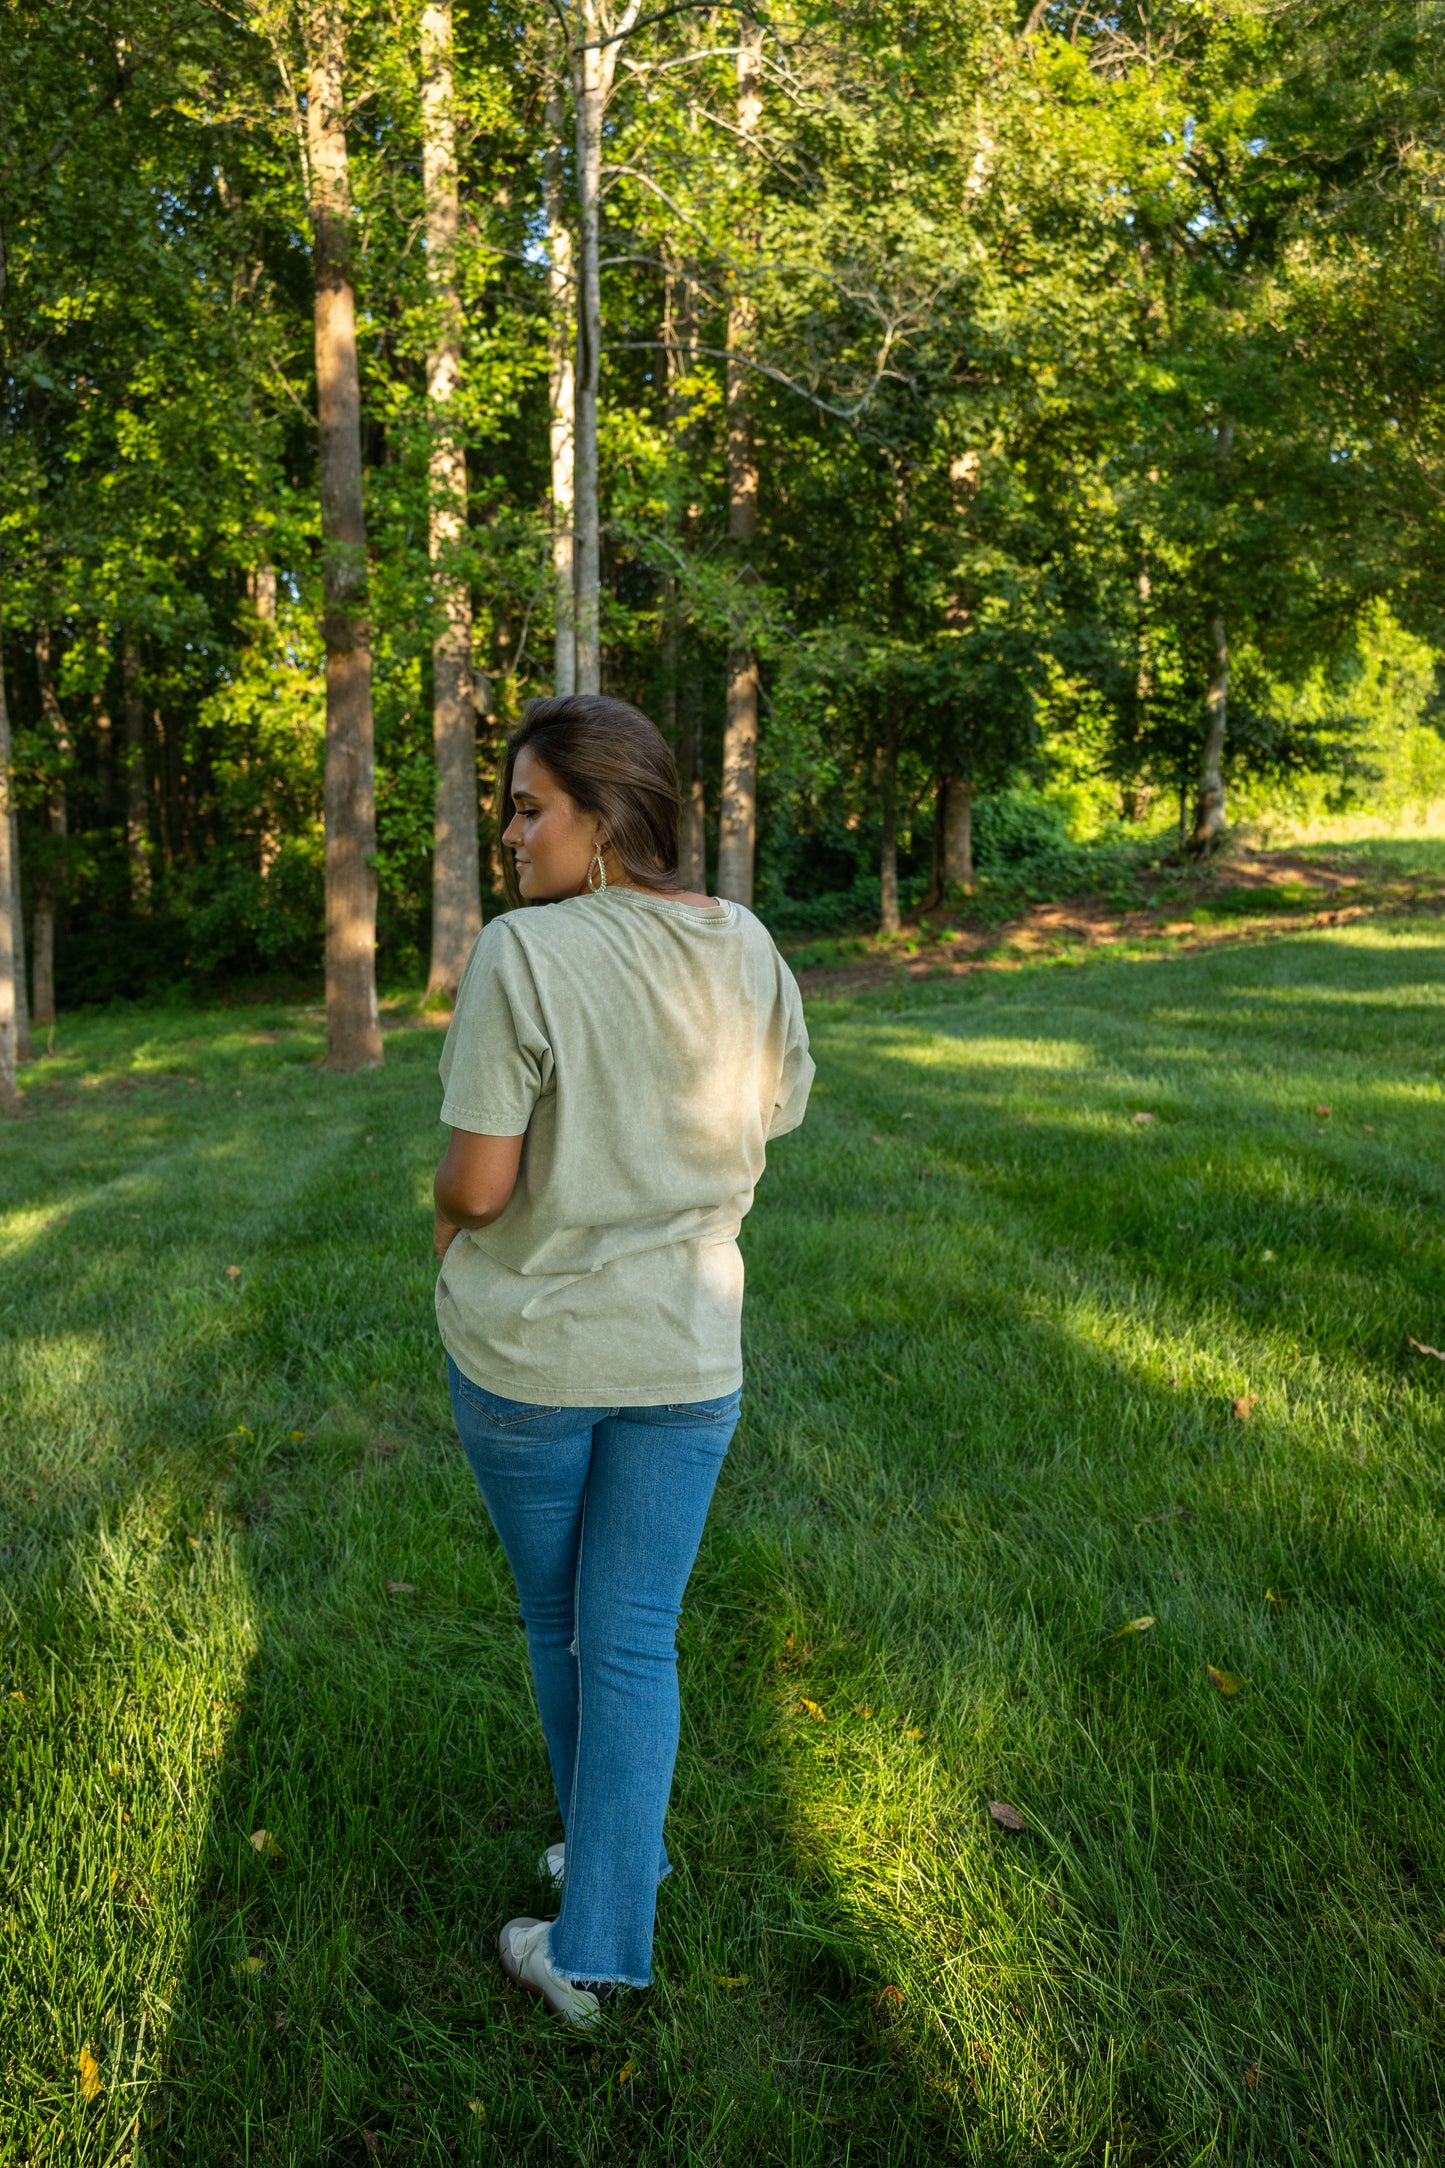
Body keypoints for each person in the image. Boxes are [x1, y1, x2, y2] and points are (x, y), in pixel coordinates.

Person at [432, 694, 813, 2027]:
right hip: (688, 1350)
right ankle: (611, 1871)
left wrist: (439, 1225)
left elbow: (480, 1184)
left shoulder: (521, 955)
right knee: (635, 1633)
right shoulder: (747, 943)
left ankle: (587, 1946)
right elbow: (774, 1108)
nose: (514, 834)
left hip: (533, 1357)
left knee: (561, 1621)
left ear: (602, 819)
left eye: (530, 807)